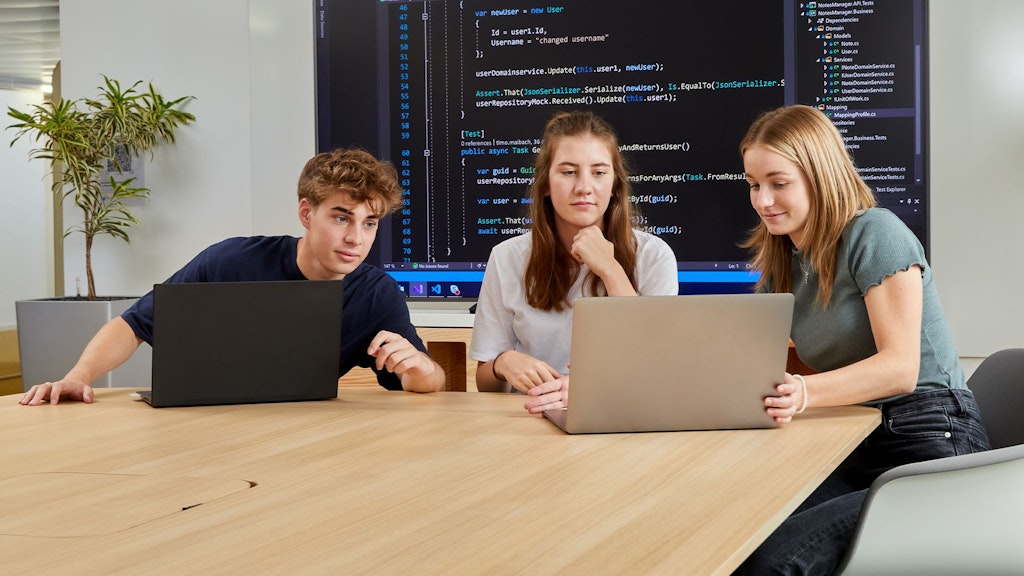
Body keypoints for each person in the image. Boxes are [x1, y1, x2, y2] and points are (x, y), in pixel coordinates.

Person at [734, 105, 990, 575]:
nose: (763, 199)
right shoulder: (784, 265)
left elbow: (899, 368)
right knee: (740, 537)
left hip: (929, 437)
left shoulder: (876, 232)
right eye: (753, 184)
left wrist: (804, 393)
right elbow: (746, 362)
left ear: (819, 174)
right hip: (856, 439)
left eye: (779, 182)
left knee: (777, 561)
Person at [20, 148, 445, 405]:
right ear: (305, 214)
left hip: (306, 435)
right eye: (341, 217)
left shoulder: (375, 293)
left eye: (370, 223)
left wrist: (423, 372)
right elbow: (132, 324)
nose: (356, 237)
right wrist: (77, 377)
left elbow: (422, 379)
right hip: (203, 427)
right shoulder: (232, 260)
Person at [469, 111, 678, 413]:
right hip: (531, 422)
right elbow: (486, 385)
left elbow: (657, 366)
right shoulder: (506, 257)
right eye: (568, 172)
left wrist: (610, 269)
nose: (583, 187)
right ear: (544, 184)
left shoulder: (654, 255)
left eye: (598, 172)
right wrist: (503, 363)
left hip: (620, 418)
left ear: (615, 184)